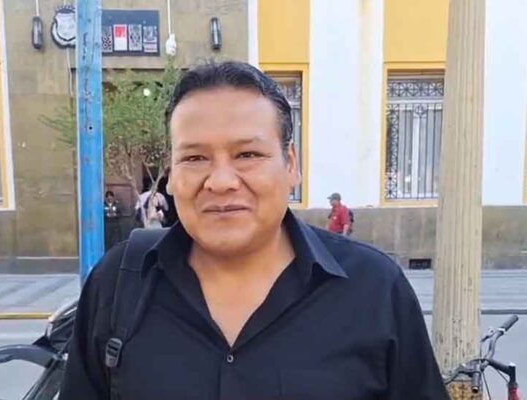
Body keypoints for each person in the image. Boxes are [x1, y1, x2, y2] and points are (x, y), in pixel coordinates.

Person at [59, 61, 449, 400]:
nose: (221, 181)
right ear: (172, 175)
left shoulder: (374, 289)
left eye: (247, 154)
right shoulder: (117, 284)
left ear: (291, 164)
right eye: (195, 157)